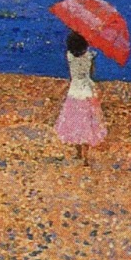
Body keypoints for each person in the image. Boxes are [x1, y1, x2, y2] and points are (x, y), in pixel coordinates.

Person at [54, 30, 107, 163]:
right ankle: (85, 158)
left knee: (75, 123)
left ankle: (78, 153)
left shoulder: (69, 56)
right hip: (87, 92)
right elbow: (91, 74)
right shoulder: (89, 56)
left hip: (73, 92)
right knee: (87, 124)